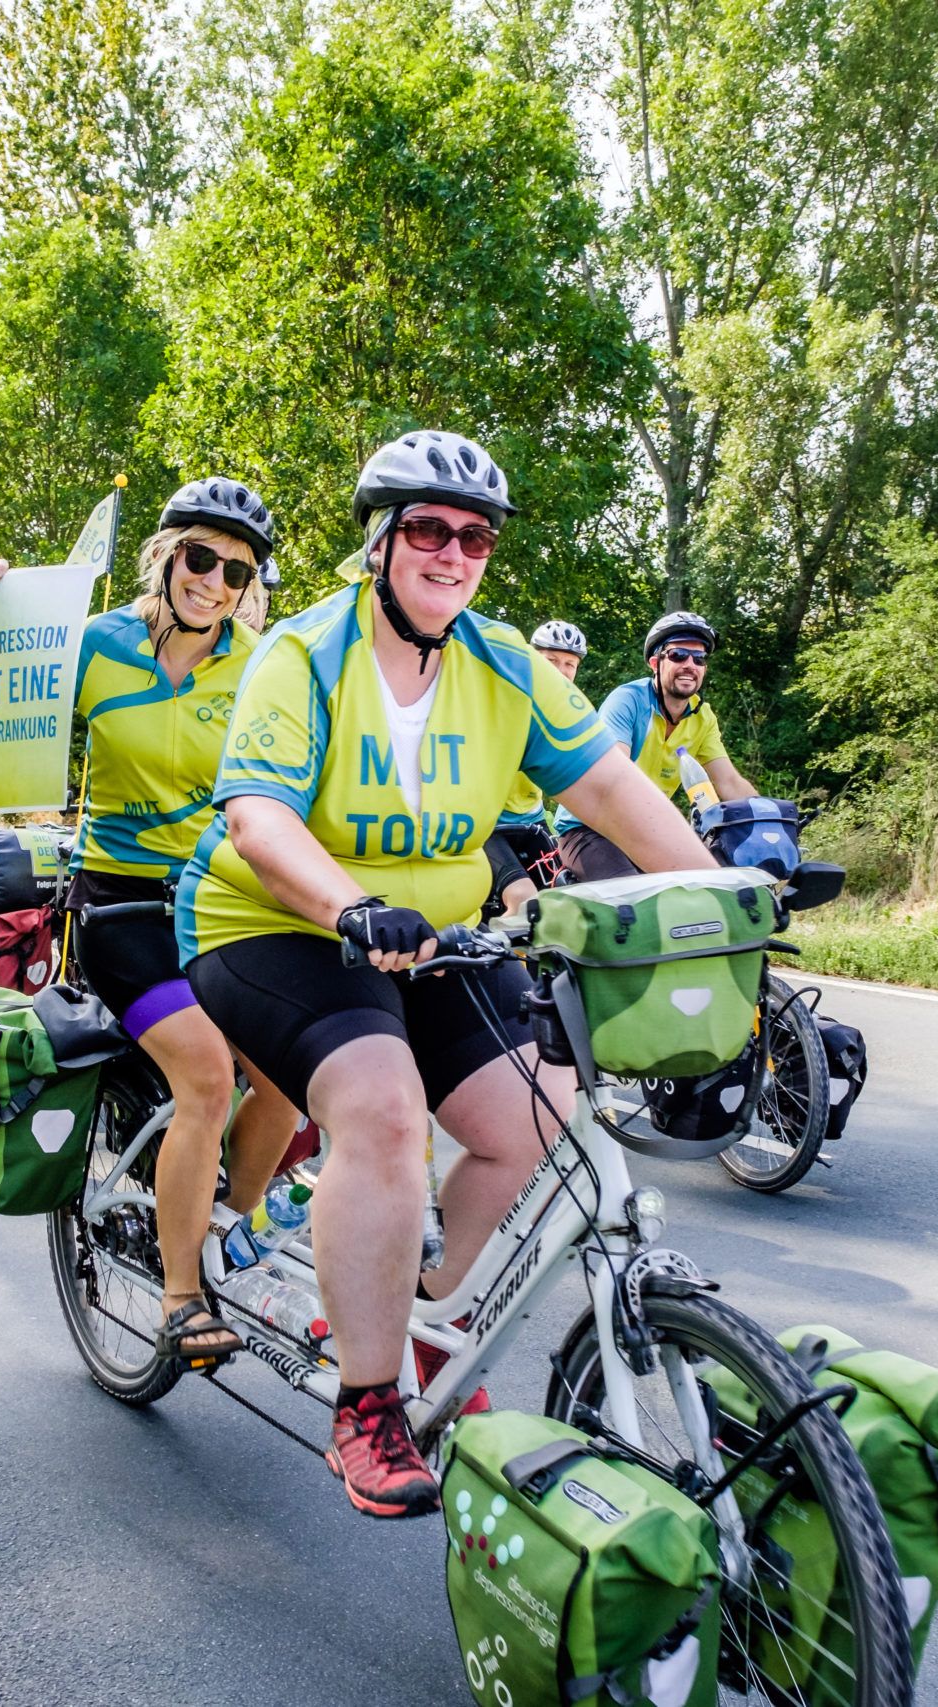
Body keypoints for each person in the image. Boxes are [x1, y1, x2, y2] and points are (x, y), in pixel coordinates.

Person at [177, 431, 716, 1517]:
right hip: (271, 921)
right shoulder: (301, 652)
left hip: (435, 934)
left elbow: (609, 792)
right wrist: (349, 905)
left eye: (473, 537)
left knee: (544, 1116)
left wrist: (715, 894)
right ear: (379, 542)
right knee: (380, 1111)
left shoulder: (502, 662)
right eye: (426, 528)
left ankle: (412, 1312)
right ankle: (366, 1402)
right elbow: (259, 816)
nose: (452, 552)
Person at [0, 476, 301, 1370]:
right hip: (119, 901)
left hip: (221, 897)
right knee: (209, 1076)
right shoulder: (99, 642)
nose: (214, 582)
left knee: (293, 1075)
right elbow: (3, 706)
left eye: (236, 569)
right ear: (167, 554)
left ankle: (224, 1219)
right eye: (199, 558)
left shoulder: (262, 662)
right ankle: (182, 1301)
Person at [552, 611, 757, 882]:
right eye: (678, 655)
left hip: (646, 829)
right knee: (631, 900)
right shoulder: (628, 701)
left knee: (709, 889)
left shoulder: (702, 716)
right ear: (654, 662)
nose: (690, 664)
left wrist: (768, 818)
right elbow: (614, 778)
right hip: (589, 827)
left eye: (699, 658)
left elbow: (729, 782)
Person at [484, 619, 590, 916]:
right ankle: (497, 960)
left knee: (562, 902)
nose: (561, 670)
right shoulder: (505, 701)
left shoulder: (569, 714)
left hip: (531, 820)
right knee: (523, 897)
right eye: (551, 660)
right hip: (486, 824)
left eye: (570, 664)